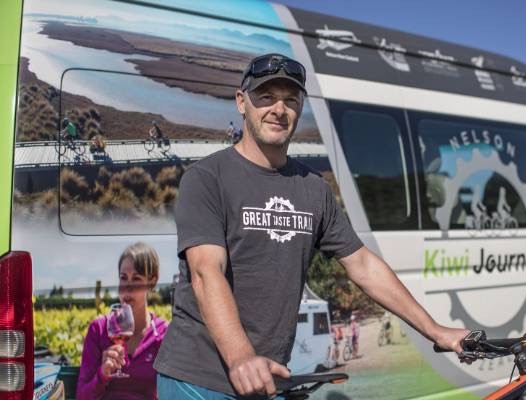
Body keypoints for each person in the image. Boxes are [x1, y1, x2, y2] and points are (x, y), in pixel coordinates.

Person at [154, 53, 469, 399]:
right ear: (241, 102)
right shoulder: (207, 178)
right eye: (266, 97)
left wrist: (435, 331)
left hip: (266, 377)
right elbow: (205, 272)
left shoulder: (313, 188)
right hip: (198, 379)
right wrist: (241, 356)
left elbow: (362, 264)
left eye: (290, 100)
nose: (279, 109)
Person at [77, 242, 168, 400]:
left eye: (136, 279)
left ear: (152, 282)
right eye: (123, 278)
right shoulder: (98, 329)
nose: (127, 288)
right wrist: (102, 374)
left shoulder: (163, 333)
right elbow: (82, 396)